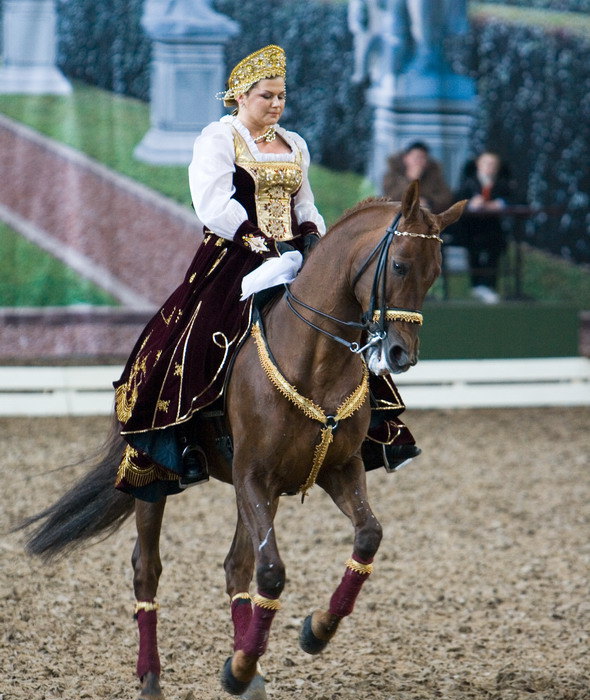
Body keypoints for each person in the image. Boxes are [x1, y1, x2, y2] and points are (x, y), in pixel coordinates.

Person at [113, 44, 418, 502]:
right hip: (236, 253)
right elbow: (213, 204)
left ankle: (373, 427)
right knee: (198, 335)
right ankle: (181, 443)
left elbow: (305, 202)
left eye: (281, 96)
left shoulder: (294, 144)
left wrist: (314, 235)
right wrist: (263, 241)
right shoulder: (219, 140)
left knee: (344, 323)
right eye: (266, 96)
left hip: (297, 254)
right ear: (240, 96)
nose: (276, 104)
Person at [453, 150, 515, 304]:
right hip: (471, 230)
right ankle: (477, 285)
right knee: (473, 252)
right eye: (486, 163)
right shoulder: (468, 182)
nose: (490, 167)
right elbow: (457, 200)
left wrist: (498, 204)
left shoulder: (502, 184)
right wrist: (471, 204)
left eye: (493, 164)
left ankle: (488, 285)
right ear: (478, 165)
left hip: (494, 230)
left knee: (495, 250)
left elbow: (512, 199)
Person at [382, 141, 453, 214]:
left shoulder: (433, 174)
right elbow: (390, 197)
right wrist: (410, 180)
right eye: (415, 158)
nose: (419, 162)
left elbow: (446, 197)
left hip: (426, 215)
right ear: (406, 158)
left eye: (423, 158)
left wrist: (429, 202)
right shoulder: (393, 174)